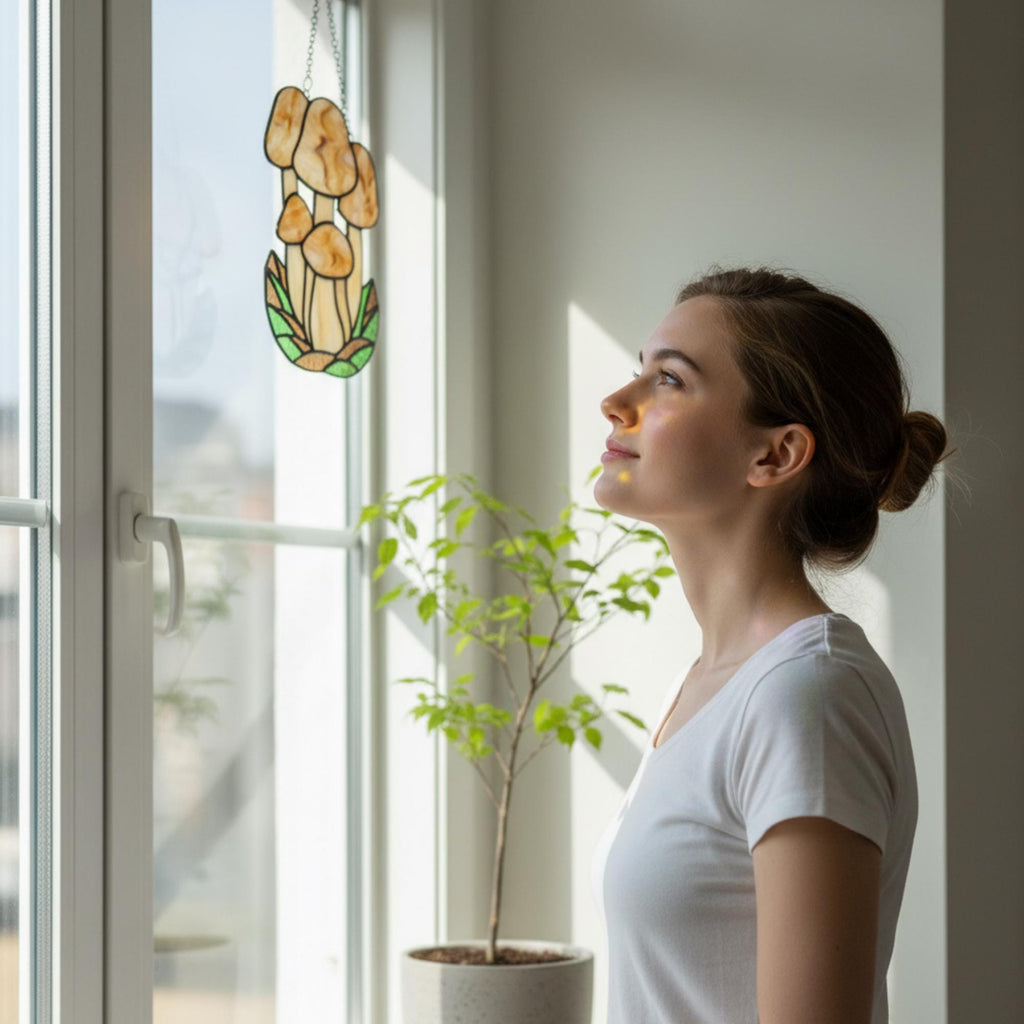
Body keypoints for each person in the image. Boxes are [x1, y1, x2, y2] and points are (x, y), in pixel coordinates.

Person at [589, 265, 957, 1024]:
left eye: (669, 380)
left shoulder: (806, 696)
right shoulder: (712, 683)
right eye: (639, 372)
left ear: (776, 456)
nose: (616, 403)